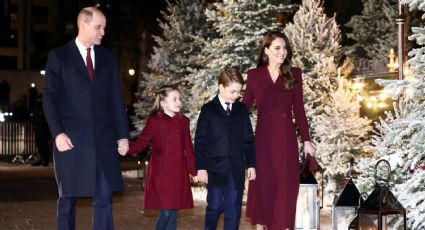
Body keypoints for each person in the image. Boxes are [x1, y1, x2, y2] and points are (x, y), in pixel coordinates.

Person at [43, 7, 129, 230]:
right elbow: (50, 100)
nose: (103, 32)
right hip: (70, 142)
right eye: (98, 27)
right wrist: (58, 133)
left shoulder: (108, 57)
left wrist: (122, 136)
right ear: (83, 25)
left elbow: (116, 100)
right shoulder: (59, 56)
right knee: (67, 201)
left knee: (104, 198)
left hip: (103, 141)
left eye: (104, 28)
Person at [242, 31, 316, 230]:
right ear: (266, 50)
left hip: (286, 141)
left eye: (284, 48)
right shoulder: (254, 76)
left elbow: (299, 110)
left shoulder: (295, 74)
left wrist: (307, 140)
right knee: (263, 188)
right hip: (262, 142)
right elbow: (244, 109)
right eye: (277, 48)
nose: (282, 52)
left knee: (285, 190)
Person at [125, 85, 197, 230]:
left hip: (178, 172)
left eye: (179, 99)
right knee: (166, 212)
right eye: (175, 99)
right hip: (161, 173)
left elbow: (188, 148)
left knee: (173, 212)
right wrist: (126, 148)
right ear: (163, 103)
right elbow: (142, 142)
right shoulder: (154, 121)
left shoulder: (184, 121)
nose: (179, 102)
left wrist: (193, 171)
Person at [195, 68, 256, 230]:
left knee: (233, 210)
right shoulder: (208, 110)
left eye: (239, 92)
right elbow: (200, 141)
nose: (236, 95)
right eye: (233, 91)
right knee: (214, 208)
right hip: (214, 169)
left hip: (236, 170)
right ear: (221, 87)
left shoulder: (241, 110)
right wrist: (200, 167)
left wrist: (251, 164)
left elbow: (249, 140)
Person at [31, 94, 50, 167]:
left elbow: (44, 118)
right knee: (38, 144)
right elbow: (34, 117)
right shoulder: (36, 107)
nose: (39, 100)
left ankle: (45, 161)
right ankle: (40, 160)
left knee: (44, 145)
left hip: (43, 128)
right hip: (38, 128)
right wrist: (34, 125)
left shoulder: (44, 106)